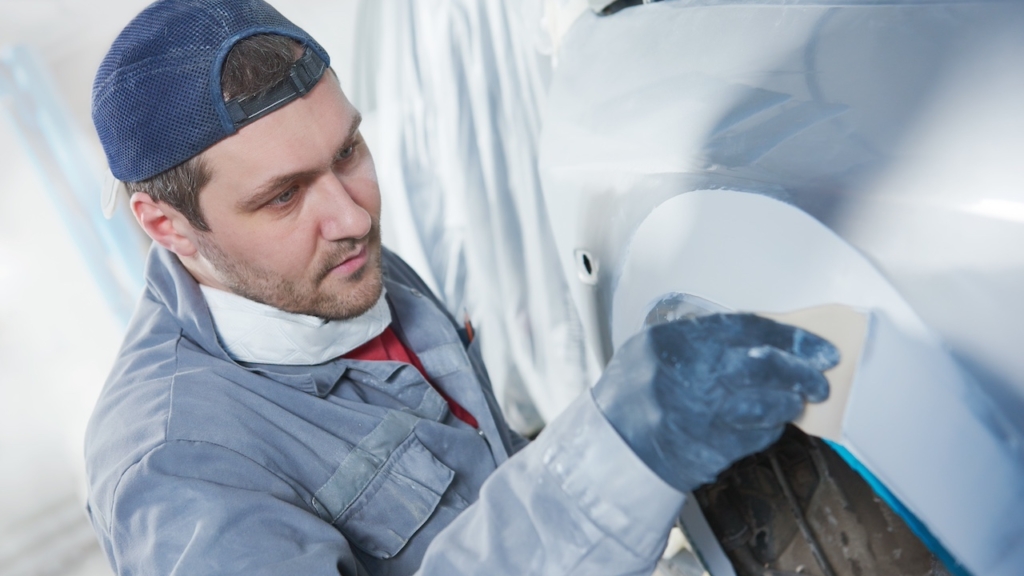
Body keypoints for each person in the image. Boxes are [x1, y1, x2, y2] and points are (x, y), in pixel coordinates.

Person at [84, 1, 839, 574]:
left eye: (349, 150)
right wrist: (614, 459)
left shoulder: (331, 274)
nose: (353, 215)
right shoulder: (175, 469)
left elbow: (488, 499)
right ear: (167, 225)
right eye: (283, 196)